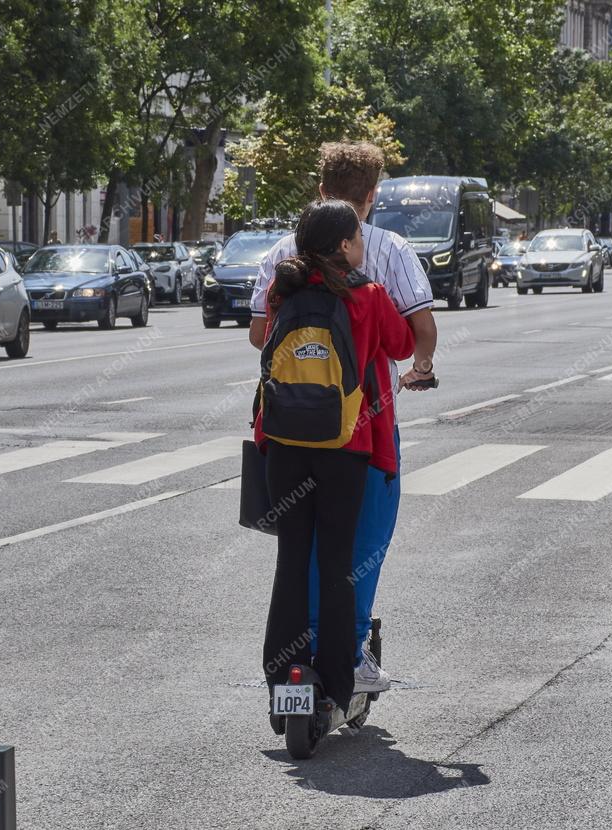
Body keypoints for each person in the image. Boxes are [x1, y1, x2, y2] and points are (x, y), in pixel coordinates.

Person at [249, 142, 437, 694]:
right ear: (370, 198)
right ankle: (345, 666)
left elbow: (259, 335)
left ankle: (283, 666)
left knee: (292, 556)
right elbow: (412, 338)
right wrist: (419, 368)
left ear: (319, 190)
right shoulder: (381, 268)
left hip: (283, 430)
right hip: (360, 429)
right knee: (351, 553)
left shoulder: (282, 261)